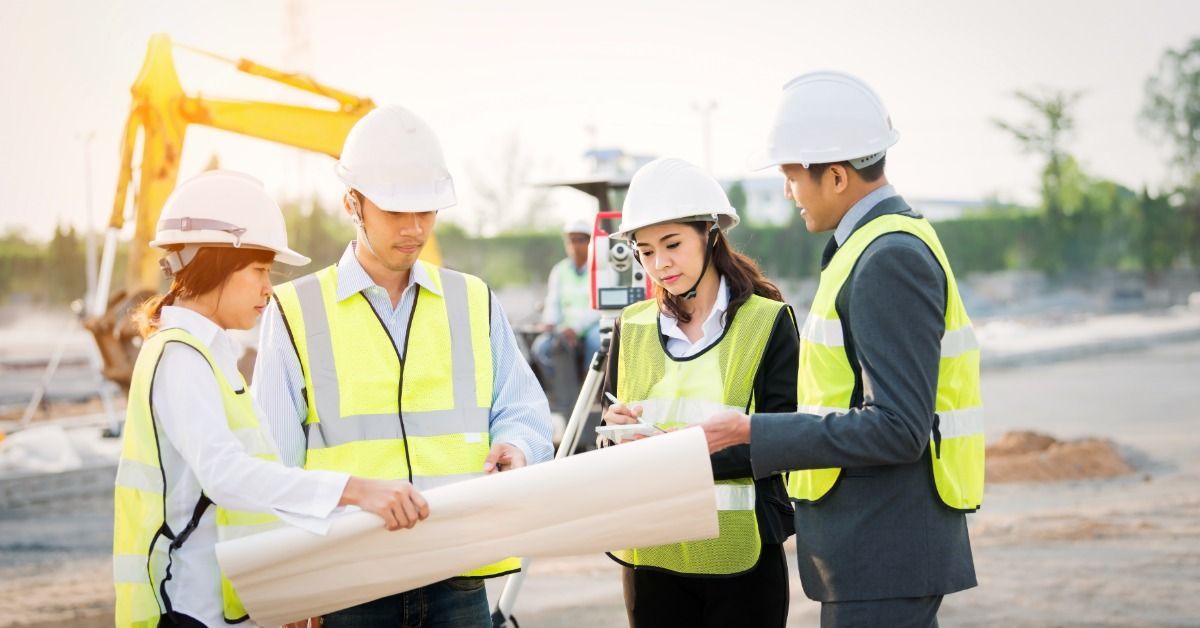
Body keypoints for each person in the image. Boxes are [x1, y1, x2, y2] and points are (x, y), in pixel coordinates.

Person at [700, 71, 984, 627]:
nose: (787, 193)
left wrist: (752, 430)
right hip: (877, 553)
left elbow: (899, 427)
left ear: (834, 176)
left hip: (885, 551)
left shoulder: (887, 259)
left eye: (790, 177)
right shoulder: (870, 248)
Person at [252, 105, 554, 627]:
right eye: (397, 211)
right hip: (349, 584)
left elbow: (523, 408)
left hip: (458, 577)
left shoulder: (473, 300)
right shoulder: (294, 312)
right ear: (353, 203)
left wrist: (518, 446)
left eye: (427, 211)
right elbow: (272, 460)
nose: (415, 229)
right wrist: (292, 584)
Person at [113, 170, 430, 627]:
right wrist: (356, 489)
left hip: (222, 607)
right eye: (260, 271)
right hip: (187, 610)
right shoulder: (179, 357)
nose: (268, 288)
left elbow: (261, 484)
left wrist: (288, 589)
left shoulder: (209, 355)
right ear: (214, 265)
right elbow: (227, 476)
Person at [600, 158, 798, 627]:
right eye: (646, 251)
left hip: (741, 554)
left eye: (672, 244)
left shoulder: (767, 323)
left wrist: (678, 453)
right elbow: (605, 434)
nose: (660, 263)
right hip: (653, 554)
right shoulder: (631, 327)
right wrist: (613, 431)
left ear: (709, 233)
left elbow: (785, 439)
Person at [531, 219, 602, 415]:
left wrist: (576, 329)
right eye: (571, 240)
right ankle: (560, 391)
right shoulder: (559, 270)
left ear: (590, 242)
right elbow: (553, 302)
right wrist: (549, 323)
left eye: (580, 240)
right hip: (565, 327)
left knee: (597, 344)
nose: (575, 245)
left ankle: (591, 390)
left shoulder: (601, 268)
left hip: (592, 325)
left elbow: (598, 307)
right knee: (541, 347)